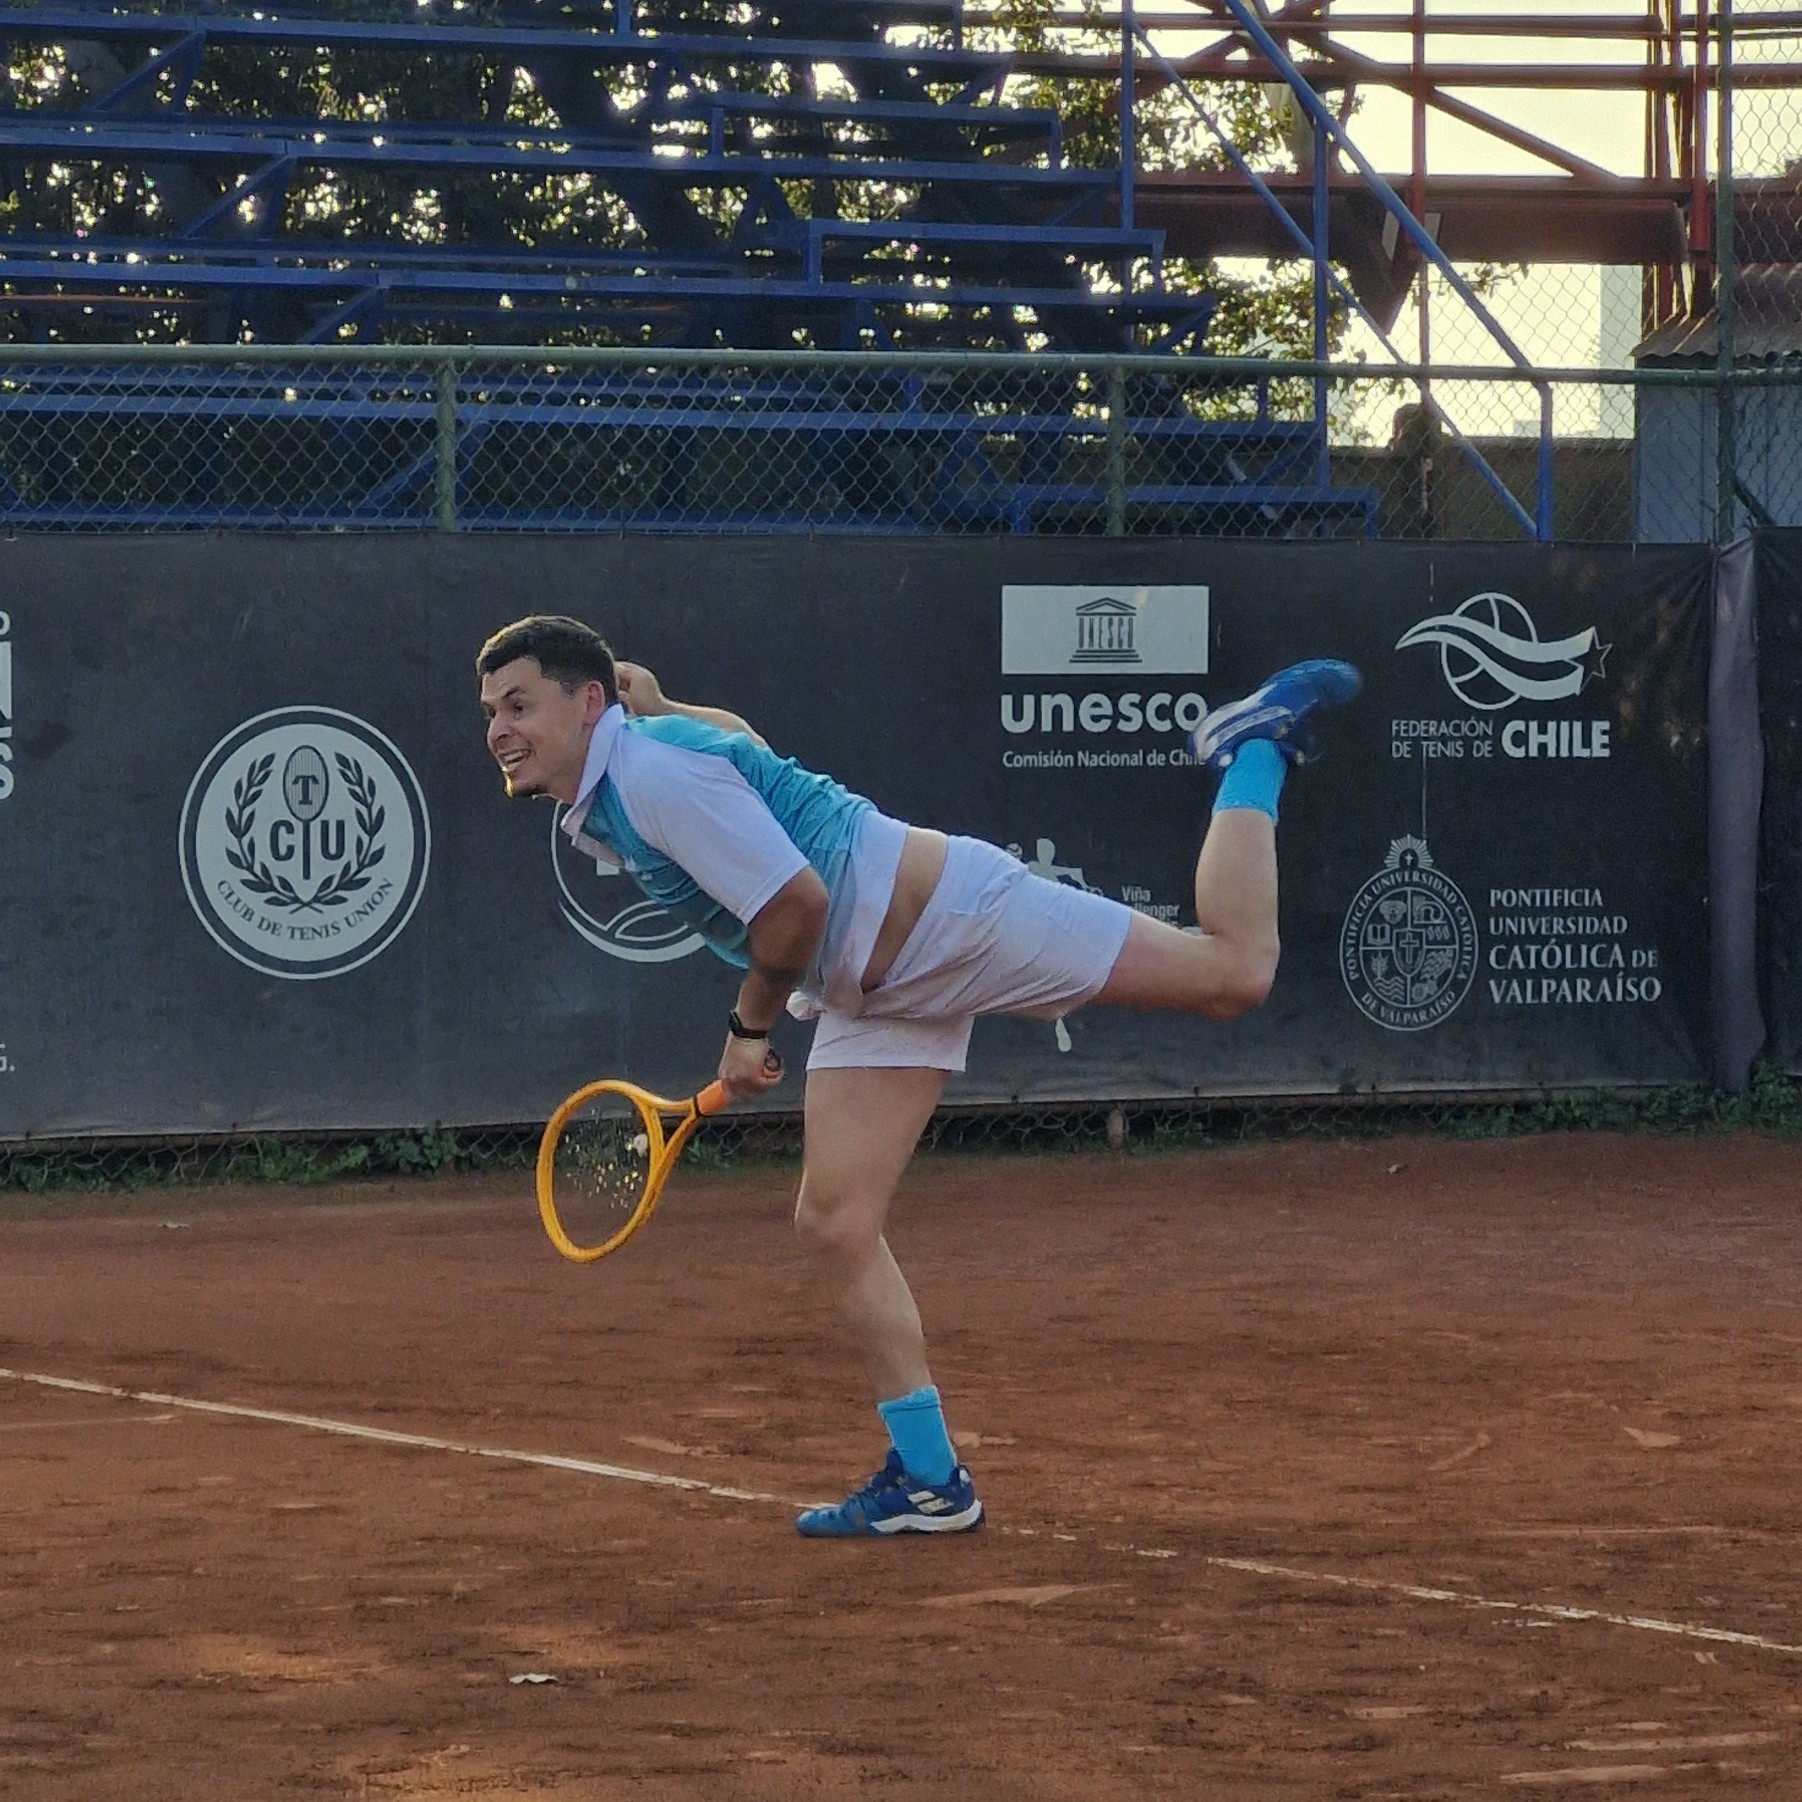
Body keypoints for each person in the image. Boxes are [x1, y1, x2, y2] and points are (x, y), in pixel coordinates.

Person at [477, 615, 1359, 1538]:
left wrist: (749, 1028)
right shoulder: (628, 771)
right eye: (493, 711)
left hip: (948, 920)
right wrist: (668, 707)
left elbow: (795, 906)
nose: (499, 729)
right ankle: (932, 1479)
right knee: (835, 1222)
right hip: (872, 988)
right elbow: (752, 759)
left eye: (520, 705)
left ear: (589, 702)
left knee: (1233, 973)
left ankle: (1251, 749)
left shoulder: (648, 774)